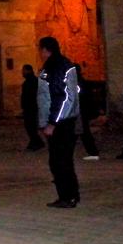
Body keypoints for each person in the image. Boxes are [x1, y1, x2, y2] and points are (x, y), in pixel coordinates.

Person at [37, 36, 81, 208]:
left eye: (40, 49)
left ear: (46, 50)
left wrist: (52, 123)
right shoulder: (63, 64)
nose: (40, 53)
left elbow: (60, 97)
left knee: (59, 162)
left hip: (61, 123)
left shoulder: (55, 66)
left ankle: (67, 196)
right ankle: (71, 195)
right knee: (63, 161)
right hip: (65, 121)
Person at [76, 65, 100, 160]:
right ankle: (93, 151)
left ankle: (93, 152)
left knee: (83, 131)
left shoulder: (79, 83)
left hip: (80, 111)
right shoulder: (80, 82)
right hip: (81, 110)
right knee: (81, 131)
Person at [20, 64, 44, 151]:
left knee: (30, 126)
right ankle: (35, 142)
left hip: (31, 107)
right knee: (31, 126)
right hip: (32, 107)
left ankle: (36, 143)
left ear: (28, 71)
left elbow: (29, 96)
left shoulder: (30, 82)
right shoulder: (33, 81)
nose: (22, 73)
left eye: (23, 71)